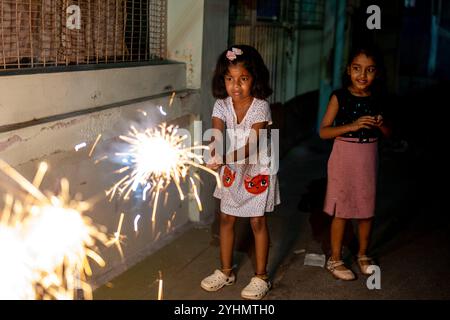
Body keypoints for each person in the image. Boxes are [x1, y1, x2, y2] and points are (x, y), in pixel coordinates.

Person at [200, 45, 280, 299]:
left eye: (243, 79)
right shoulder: (221, 105)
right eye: (229, 79)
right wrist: (213, 152)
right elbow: (216, 135)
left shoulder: (261, 107)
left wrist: (222, 158)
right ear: (221, 79)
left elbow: (252, 146)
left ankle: (261, 277)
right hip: (231, 169)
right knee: (226, 218)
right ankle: (226, 271)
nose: (235, 86)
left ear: (254, 78)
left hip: (257, 168)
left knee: (257, 221)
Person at [319, 45, 392, 280]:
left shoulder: (378, 98)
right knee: (342, 208)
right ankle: (336, 259)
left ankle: (362, 254)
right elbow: (323, 132)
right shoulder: (339, 96)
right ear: (348, 69)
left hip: (368, 158)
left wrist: (380, 124)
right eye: (357, 69)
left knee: (365, 209)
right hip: (344, 156)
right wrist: (352, 125)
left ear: (377, 73)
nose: (363, 75)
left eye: (369, 70)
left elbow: (389, 133)